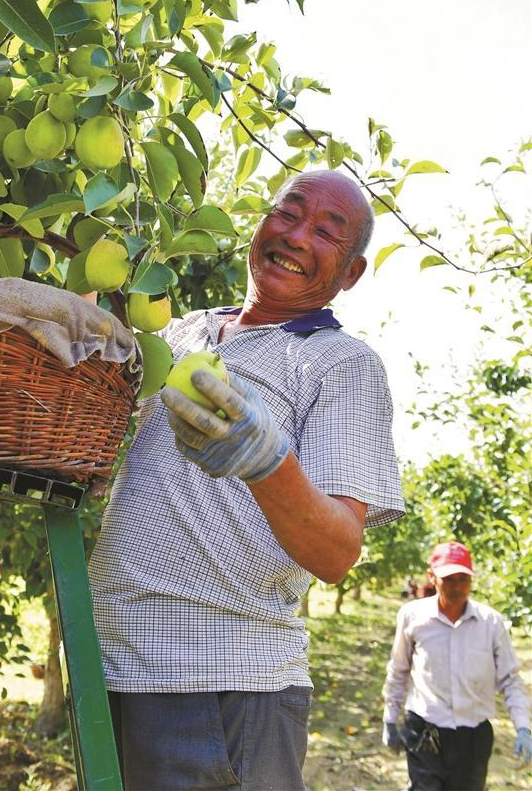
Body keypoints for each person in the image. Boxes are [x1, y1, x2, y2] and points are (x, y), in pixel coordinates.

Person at [89, 169, 405, 791]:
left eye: (326, 231)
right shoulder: (184, 331)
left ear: (351, 274)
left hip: (223, 681)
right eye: (288, 213)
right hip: (112, 665)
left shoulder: (342, 364)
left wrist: (268, 462)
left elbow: (338, 552)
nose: (297, 235)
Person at [382, 541, 532, 790]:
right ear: (432, 577)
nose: (457, 587)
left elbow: (510, 679)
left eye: (463, 579)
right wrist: (390, 719)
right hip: (425, 730)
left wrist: (523, 727)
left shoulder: (491, 623)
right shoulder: (413, 617)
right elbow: (399, 670)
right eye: (449, 579)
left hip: (472, 736)